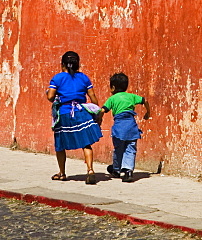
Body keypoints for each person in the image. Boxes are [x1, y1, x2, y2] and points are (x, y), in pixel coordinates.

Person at [47, 50, 103, 183]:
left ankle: (62, 173)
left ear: (63, 65)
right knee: (86, 143)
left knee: (60, 145)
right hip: (81, 112)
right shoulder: (84, 78)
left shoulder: (57, 78)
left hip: (65, 113)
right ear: (78, 64)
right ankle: (90, 170)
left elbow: (50, 97)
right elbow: (93, 97)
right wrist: (97, 110)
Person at [97, 72, 151, 181]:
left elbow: (103, 110)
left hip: (119, 127)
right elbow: (145, 100)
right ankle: (128, 171)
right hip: (131, 126)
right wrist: (148, 112)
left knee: (118, 149)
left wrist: (99, 120)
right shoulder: (131, 96)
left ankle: (116, 169)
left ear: (112, 87)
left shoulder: (112, 99)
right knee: (130, 148)